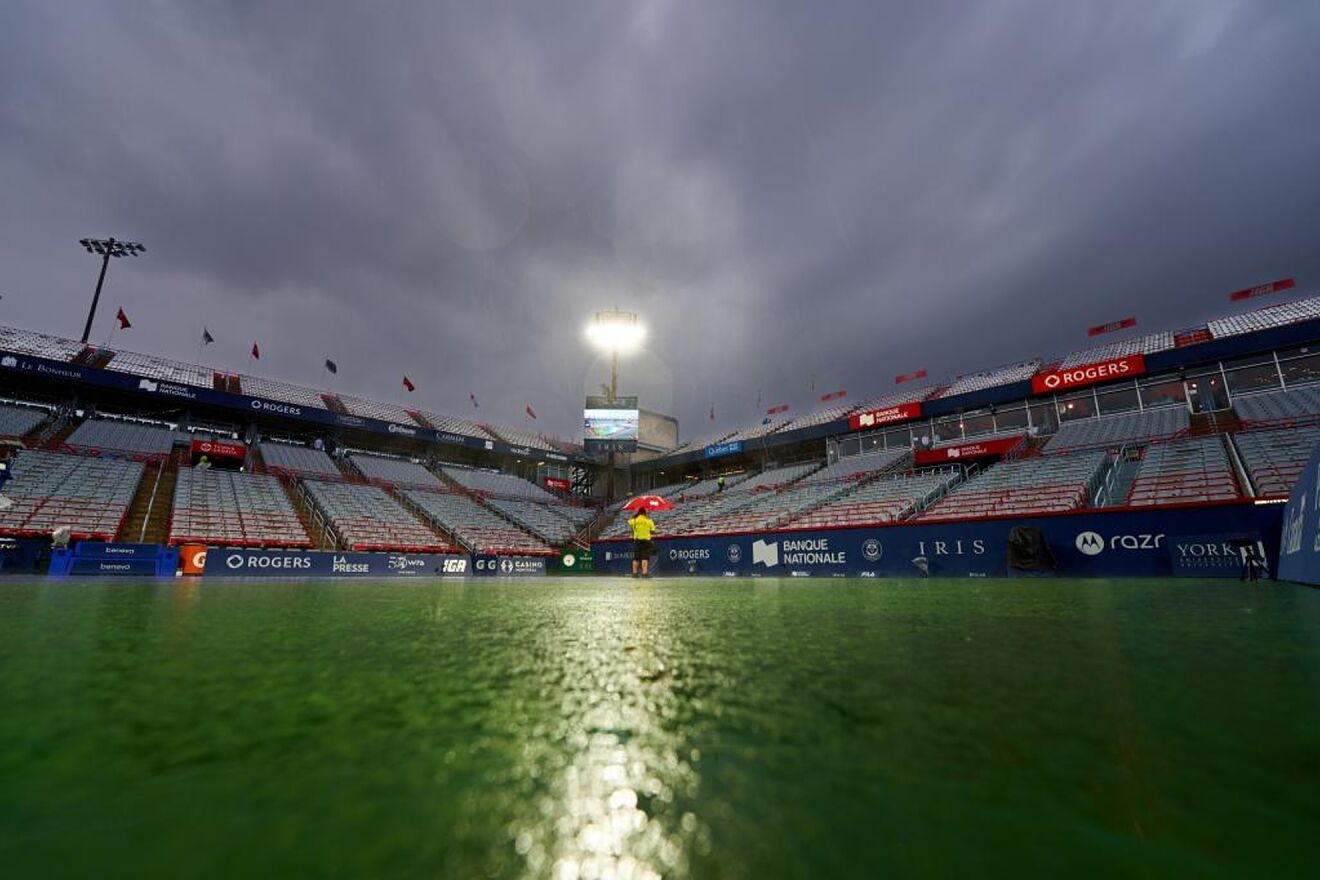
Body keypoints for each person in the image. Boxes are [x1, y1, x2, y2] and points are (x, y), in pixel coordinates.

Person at [627, 508, 657, 578]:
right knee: (645, 558)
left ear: (639, 513)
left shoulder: (634, 521)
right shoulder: (649, 521)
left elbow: (629, 522)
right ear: (645, 513)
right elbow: (653, 531)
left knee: (636, 558)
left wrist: (635, 516)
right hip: (646, 541)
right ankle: (644, 573)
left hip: (637, 540)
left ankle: (634, 573)